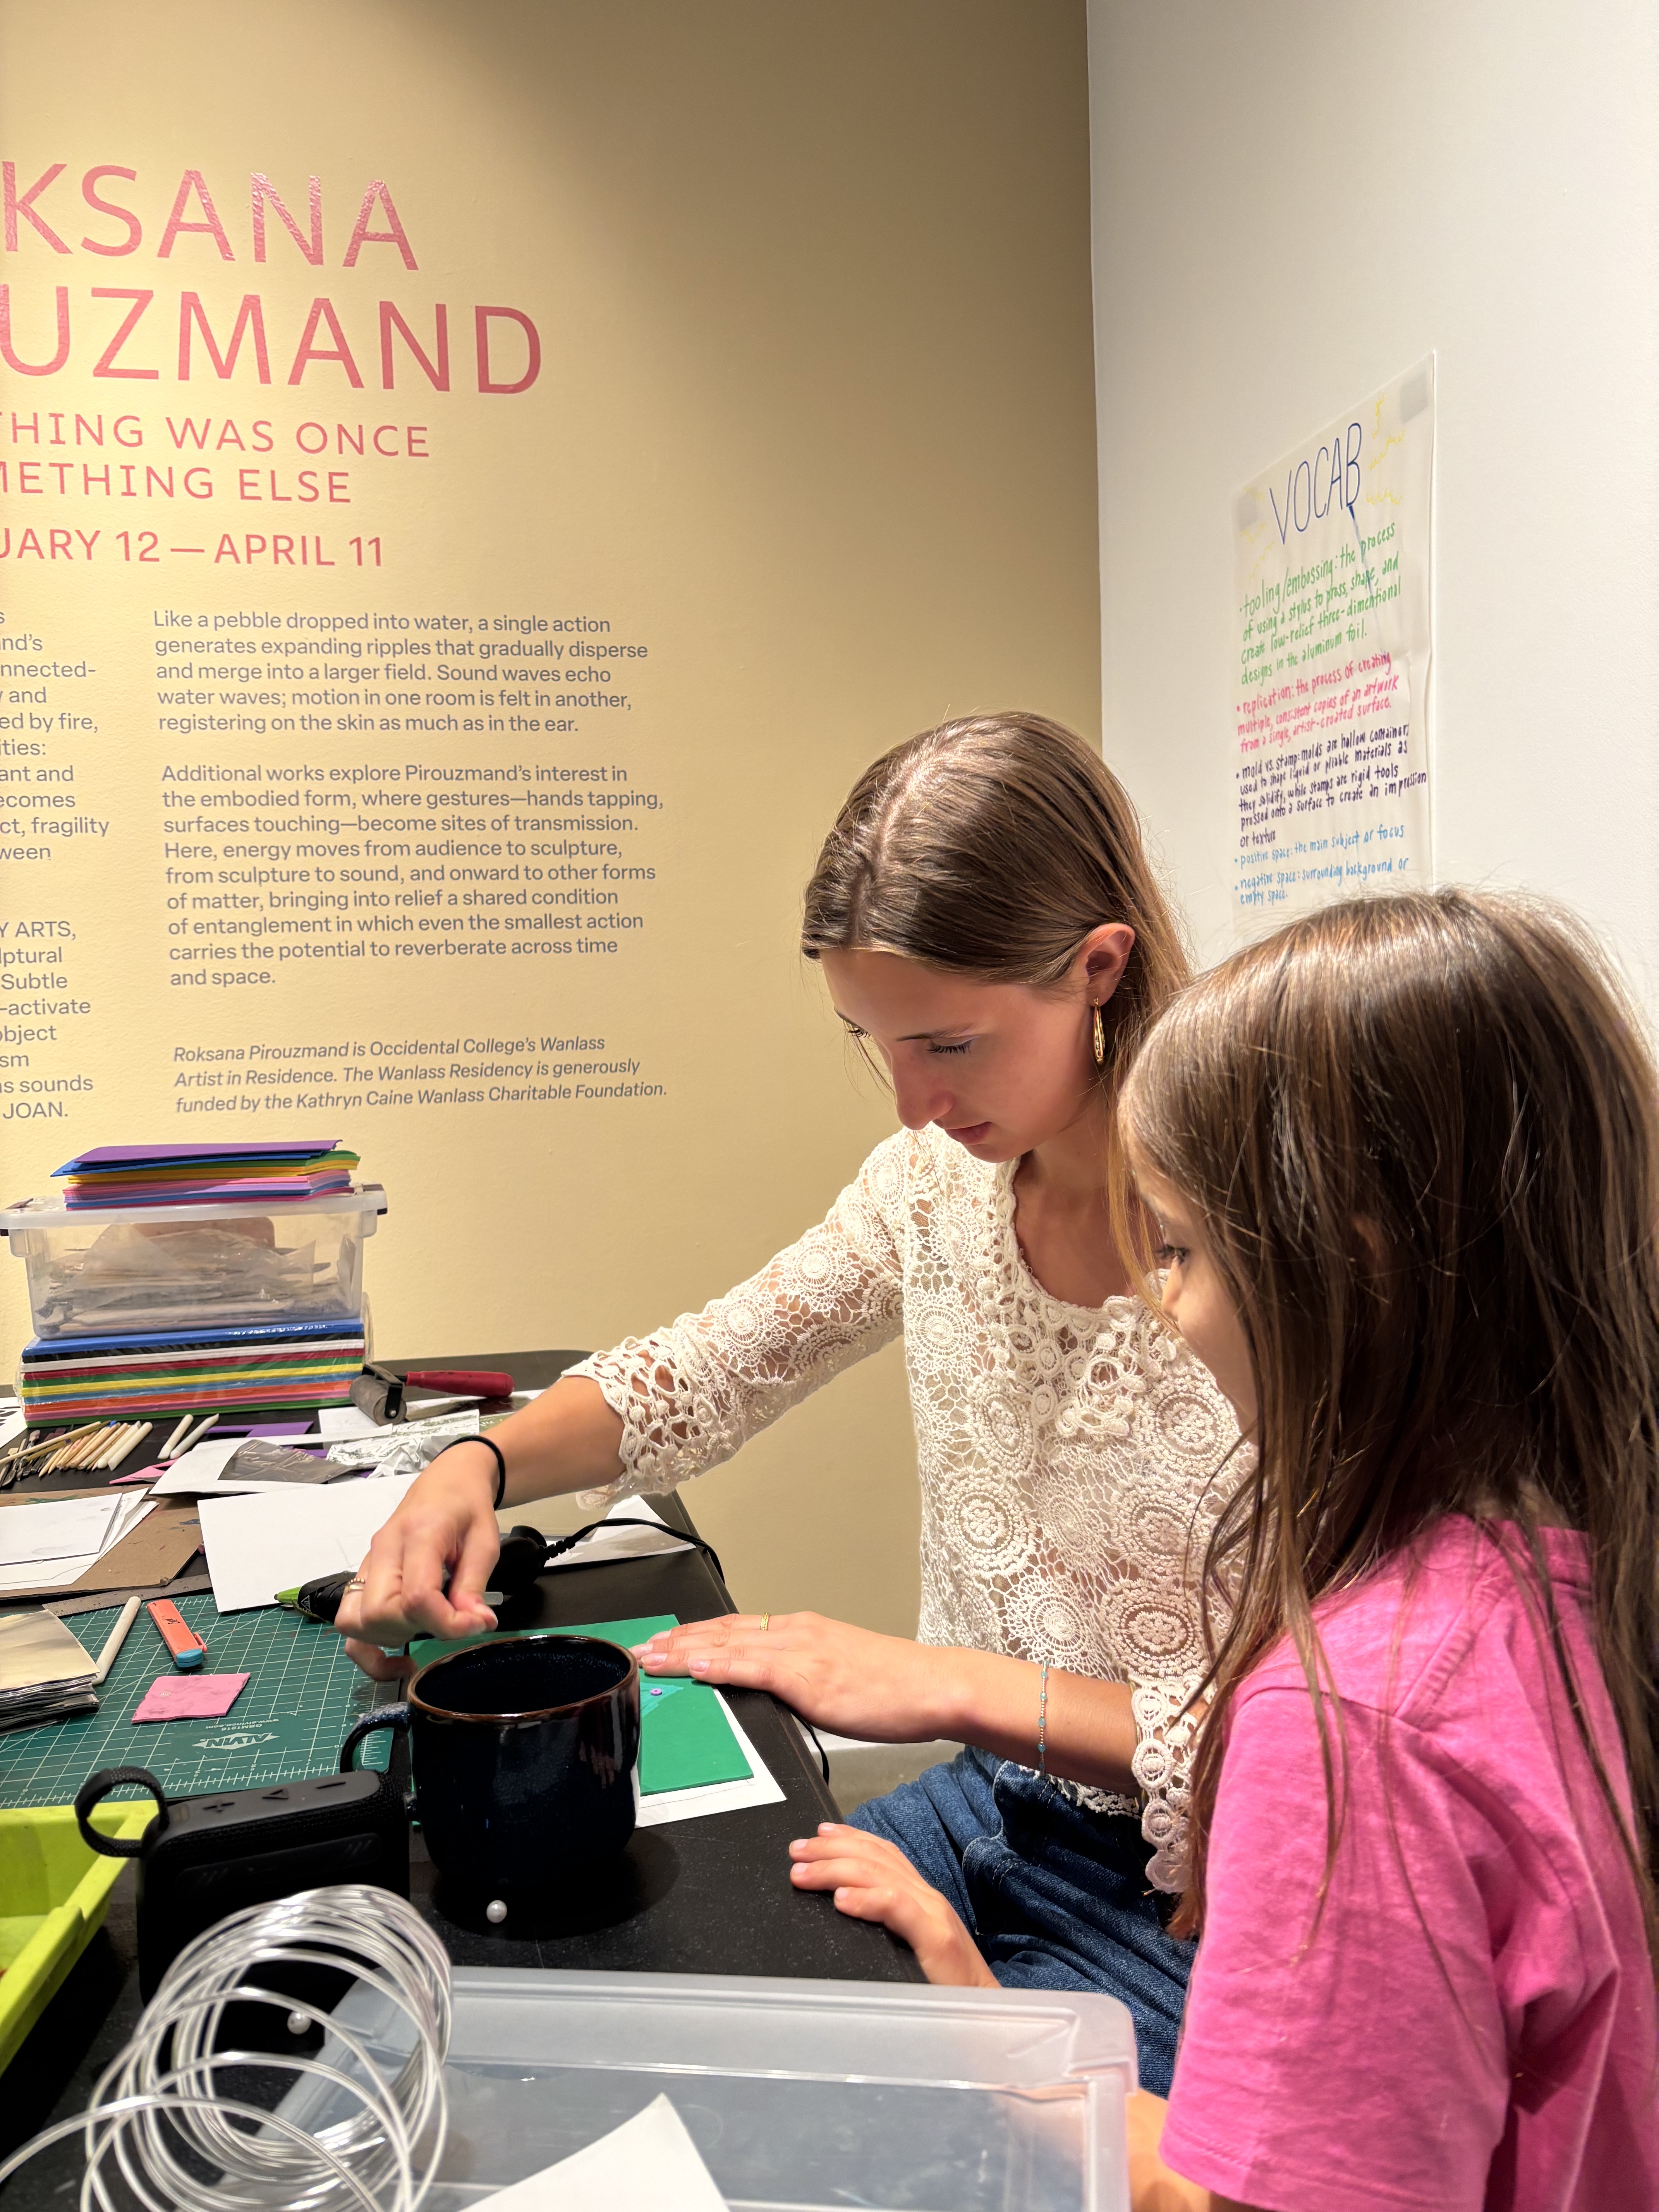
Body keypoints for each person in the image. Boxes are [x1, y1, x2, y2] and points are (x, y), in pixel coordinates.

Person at [650, 888, 1659, 2209]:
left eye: (1174, 1249)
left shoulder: (1348, 1722)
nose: (1158, 1303)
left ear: (1344, 1276)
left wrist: (985, 2033)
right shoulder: (1577, 1565)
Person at [336, 712, 1240, 2091]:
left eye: (948, 1043)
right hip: (989, 1809)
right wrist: (477, 1462)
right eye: (870, 1044)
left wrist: (943, 1682)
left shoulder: (1258, 1261)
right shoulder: (931, 1191)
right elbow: (713, 1368)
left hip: (1204, 1887)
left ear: (1099, 967)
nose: (910, 1106)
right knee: (669, 2017)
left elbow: (1338, 1732)